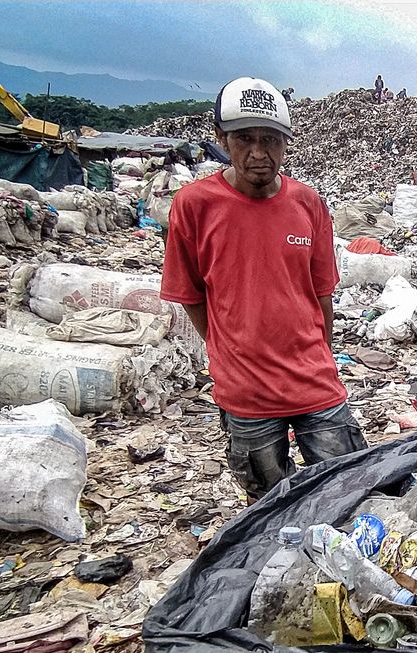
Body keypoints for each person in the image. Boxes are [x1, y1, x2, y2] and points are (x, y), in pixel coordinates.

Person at [160, 77, 366, 503]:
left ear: (286, 143)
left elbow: (322, 291)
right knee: (272, 505)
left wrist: (321, 355)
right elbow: (192, 294)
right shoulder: (195, 205)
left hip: (314, 381)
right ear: (221, 139)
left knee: (351, 489)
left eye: (270, 140)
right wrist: (228, 347)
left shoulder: (307, 203)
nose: (258, 153)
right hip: (246, 391)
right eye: (244, 139)